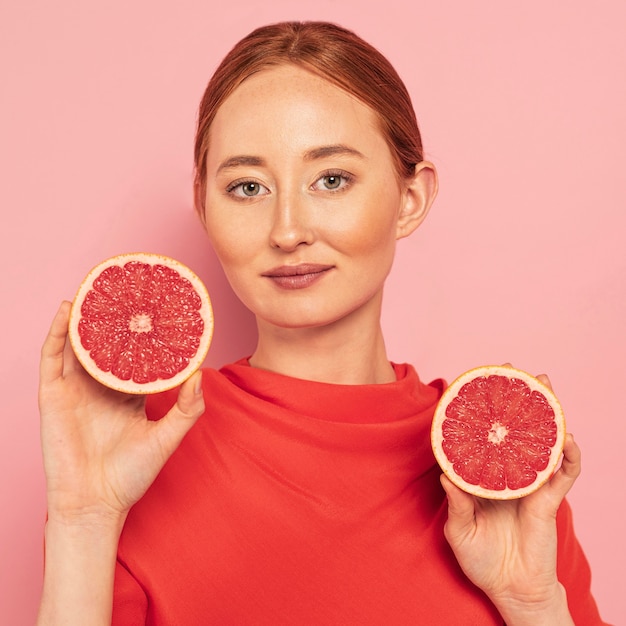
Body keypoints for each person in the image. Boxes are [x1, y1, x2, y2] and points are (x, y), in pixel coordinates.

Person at [37, 21, 609, 625]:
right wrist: (83, 517)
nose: (287, 230)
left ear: (410, 197)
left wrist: (533, 605)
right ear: (205, 204)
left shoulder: (498, 465)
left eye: (331, 179)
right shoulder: (132, 451)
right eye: (248, 186)